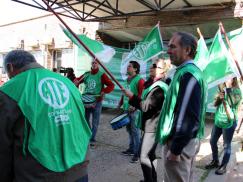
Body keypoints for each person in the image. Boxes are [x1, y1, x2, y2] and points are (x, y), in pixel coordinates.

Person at [0, 50, 91, 182]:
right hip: (79, 169)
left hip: (38, 176)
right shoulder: (68, 83)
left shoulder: (8, 91)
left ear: (10, 67)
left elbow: (3, 147)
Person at [156, 32, 207, 182]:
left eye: (173, 46)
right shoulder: (185, 73)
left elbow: (188, 117)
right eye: (168, 46)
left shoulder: (188, 75)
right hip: (184, 142)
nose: (168, 51)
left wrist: (176, 149)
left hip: (180, 144)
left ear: (187, 50)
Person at [122, 59, 168, 182]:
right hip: (150, 126)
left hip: (153, 127)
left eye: (155, 66)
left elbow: (145, 106)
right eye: (151, 65)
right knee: (151, 154)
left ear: (162, 71)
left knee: (144, 156)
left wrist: (131, 96)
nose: (151, 68)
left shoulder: (159, 87)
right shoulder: (152, 83)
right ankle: (153, 179)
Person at [205, 77, 242, 175]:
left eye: (228, 77)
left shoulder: (237, 92)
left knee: (226, 145)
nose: (226, 79)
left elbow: (231, 103)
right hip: (218, 120)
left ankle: (223, 165)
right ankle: (215, 161)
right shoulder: (221, 89)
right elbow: (215, 103)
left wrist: (227, 90)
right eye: (225, 77)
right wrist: (219, 97)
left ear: (233, 79)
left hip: (229, 122)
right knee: (212, 141)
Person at [74, 59, 115, 146]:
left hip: (97, 101)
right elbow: (77, 80)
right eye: (93, 62)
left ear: (99, 64)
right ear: (91, 64)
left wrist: (104, 91)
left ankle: (92, 139)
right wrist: (76, 82)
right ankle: (87, 136)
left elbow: (111, 85)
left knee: (95, 121)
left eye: (96, 63)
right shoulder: (87, 74)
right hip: (85, 100)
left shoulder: (102, 75)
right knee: (85, 120)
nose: (94, 64)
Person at [120, 61, 145, 163]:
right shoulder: (127, 80)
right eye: (127, 66)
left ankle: (137, 154)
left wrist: (135, 106)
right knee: (129, 130)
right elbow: (124, 93)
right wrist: (120, 103)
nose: (127, 68)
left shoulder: (140, 80)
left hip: (134, 110)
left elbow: (142, 95)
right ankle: (131, 149)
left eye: (129, 66)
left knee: (135, 132)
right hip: (126, 108)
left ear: (135, 69)